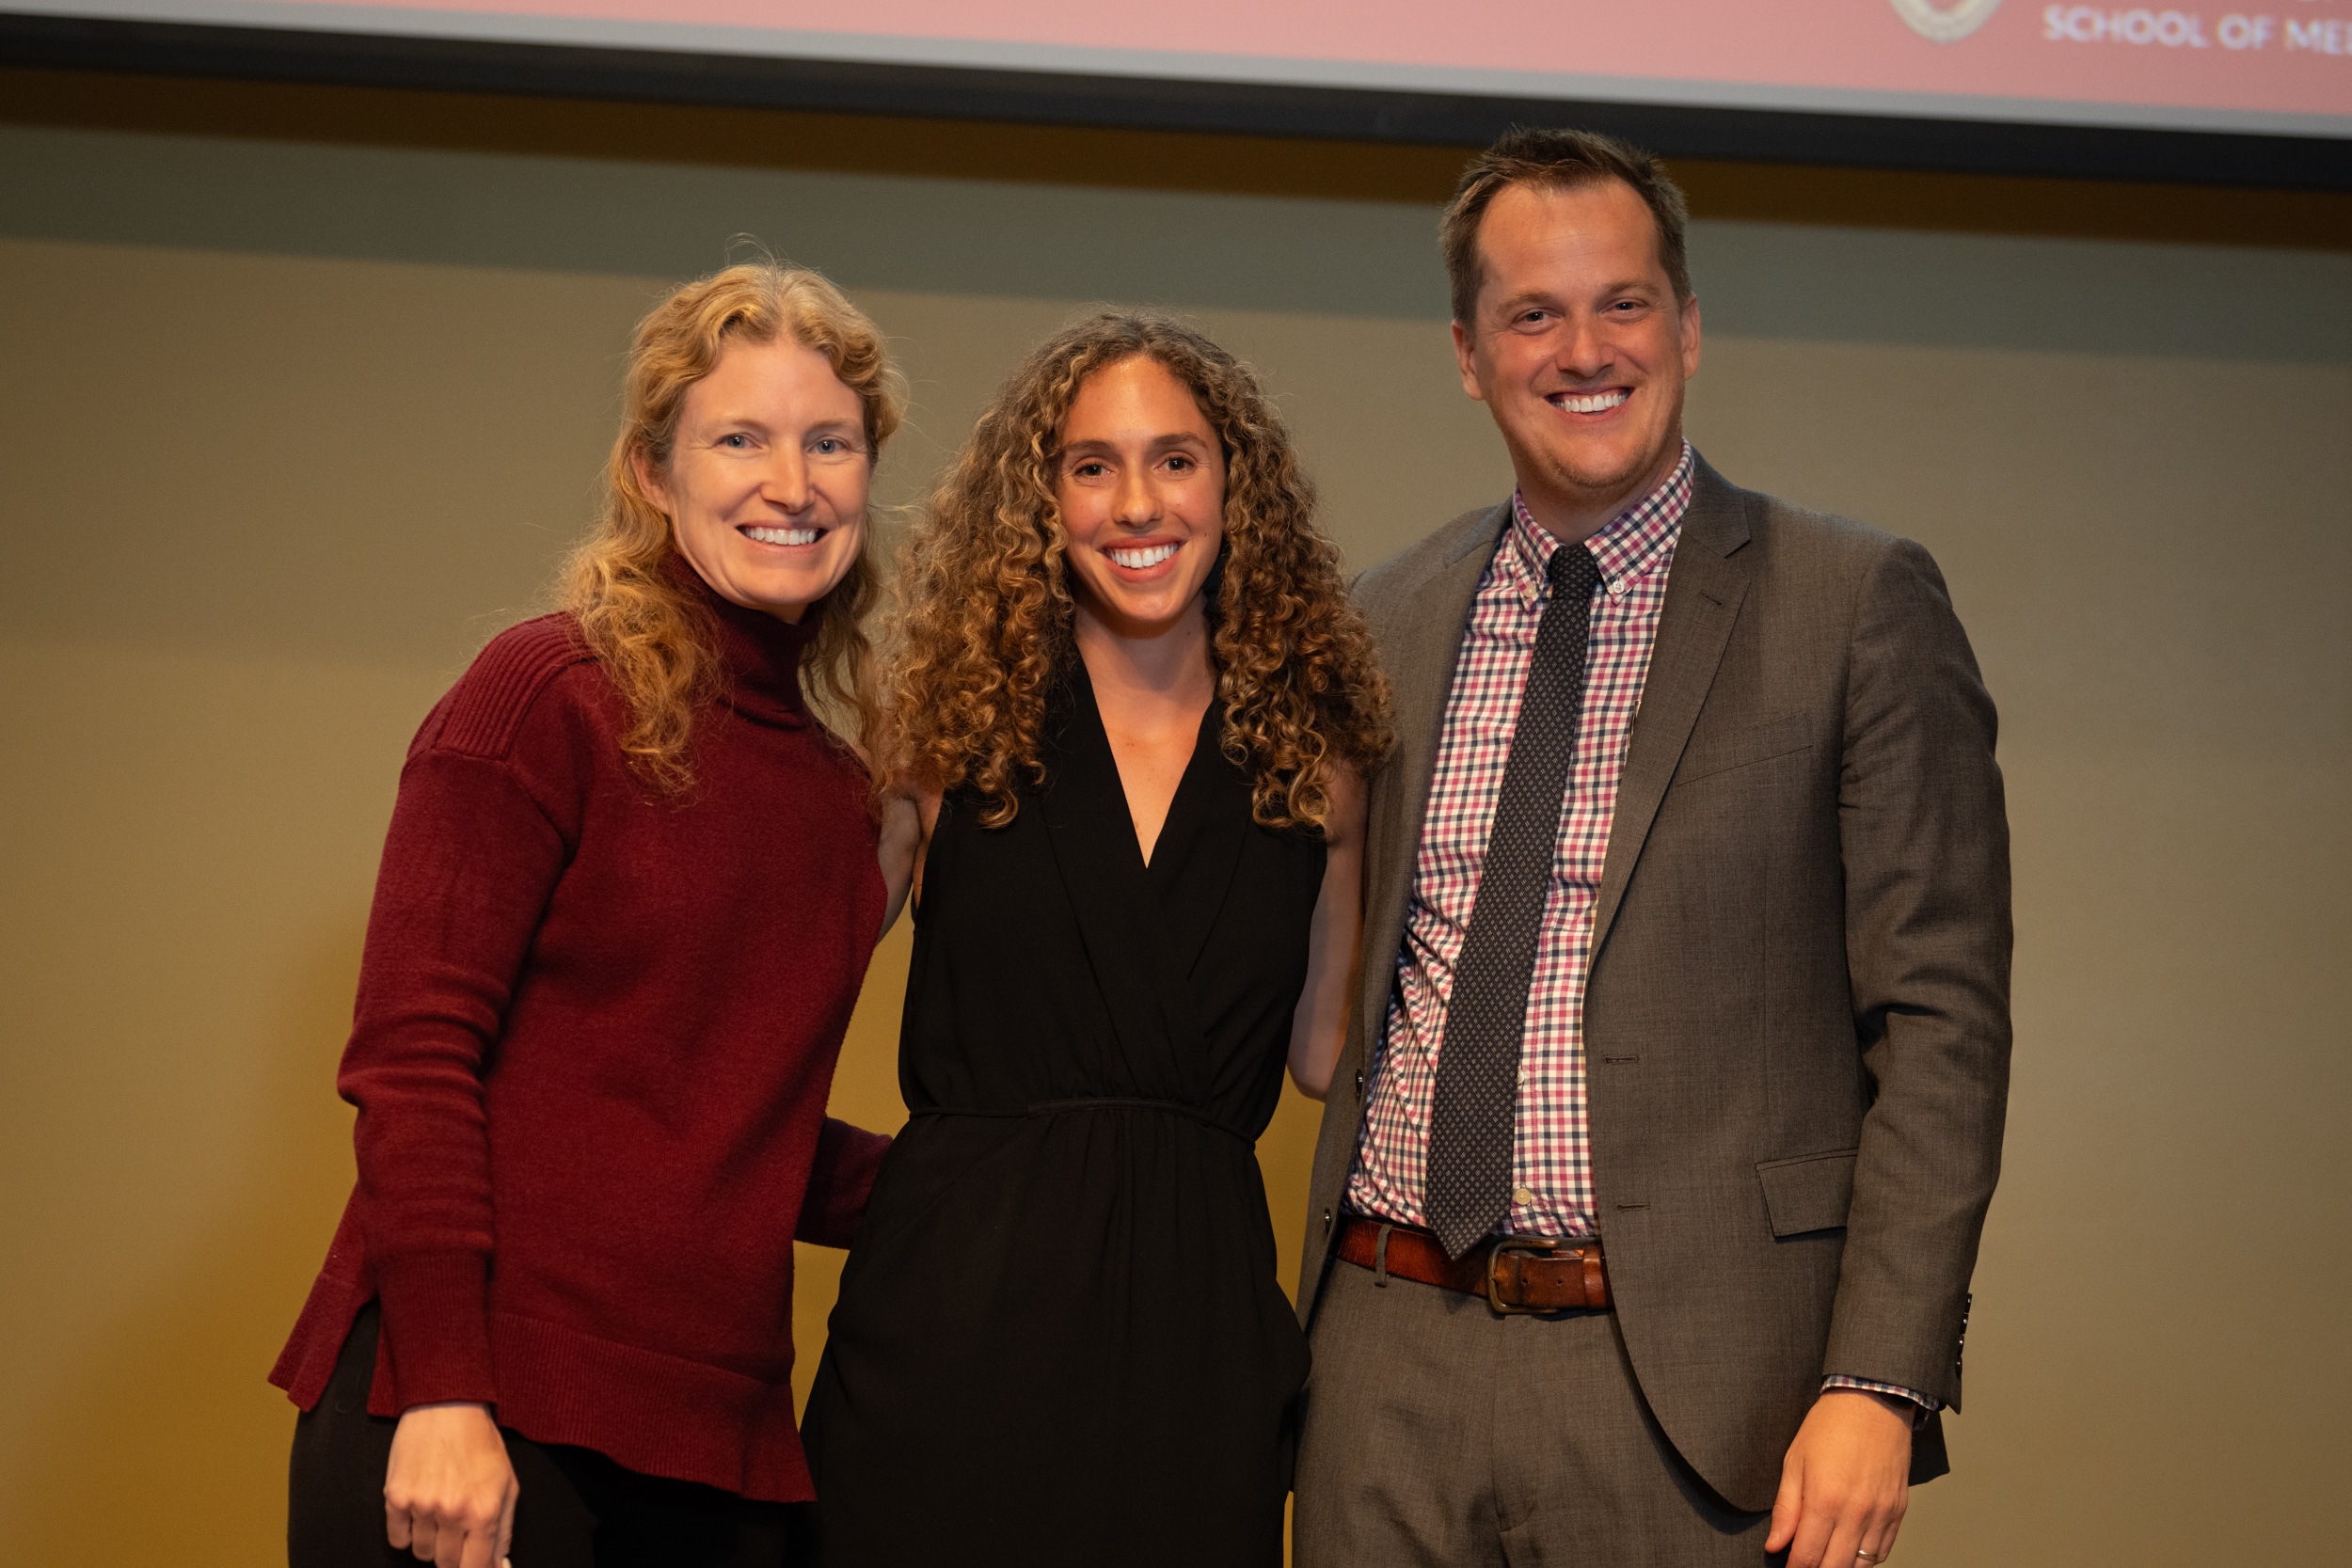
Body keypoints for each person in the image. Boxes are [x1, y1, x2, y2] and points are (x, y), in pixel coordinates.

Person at [1289, 128, 2011, 1568]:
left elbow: (1941, 1025)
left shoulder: (1855, 602)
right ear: (1469, 353)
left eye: (1621, 302)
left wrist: (1879, 1381)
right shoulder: (1385, 616)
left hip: (1693, 1391)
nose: (1583, 350)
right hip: (1383, 1360)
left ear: (1686, 324)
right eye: (1532, 314)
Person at [269, 261, 914, 1568]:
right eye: (740, 439)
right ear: (650, 473)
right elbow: (413, 1058)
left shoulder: (842, 800)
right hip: (476, 1423)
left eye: (829, 443)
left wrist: (1006, 1187)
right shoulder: (546, 695)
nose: (791, 483)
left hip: (720, 1447)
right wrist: (445, 1392)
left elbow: (724, 1128)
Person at [801, 312, 1391, 1566]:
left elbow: (1330, 1060)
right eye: (1091, 466)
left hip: (1197, 1352)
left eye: (1176, 460)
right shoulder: (939, 735)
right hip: (947, 1329)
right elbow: (771, 1012)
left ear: (1236, 489)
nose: (1137, 504)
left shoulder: (1320, 768)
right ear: (1042, 501)